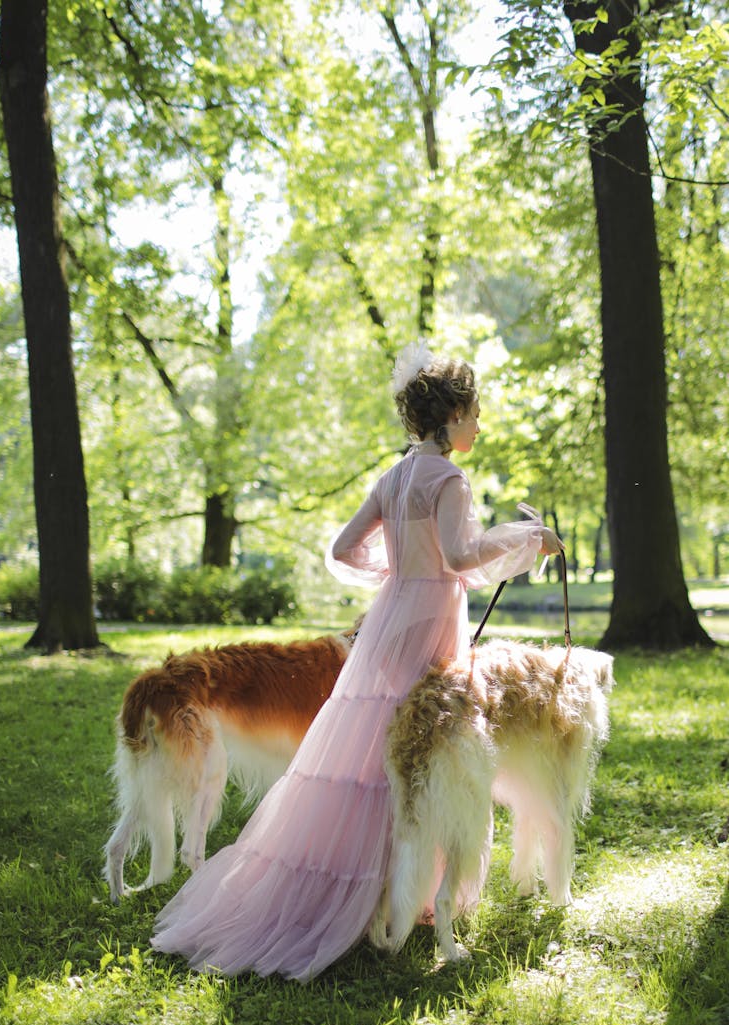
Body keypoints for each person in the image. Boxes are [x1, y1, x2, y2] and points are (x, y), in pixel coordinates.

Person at [150, 341, 561, 981]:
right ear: (451, 415)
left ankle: (377, 888)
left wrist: (398, 571)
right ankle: (396, 892)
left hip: (389, 622)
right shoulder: (449, 479)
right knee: (413, 753)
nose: (479, 426)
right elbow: (459, 556)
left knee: (362, 754)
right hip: (429, 627)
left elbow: (344, 549)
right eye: (475, 413)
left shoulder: (394, 477)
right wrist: (527, 538)